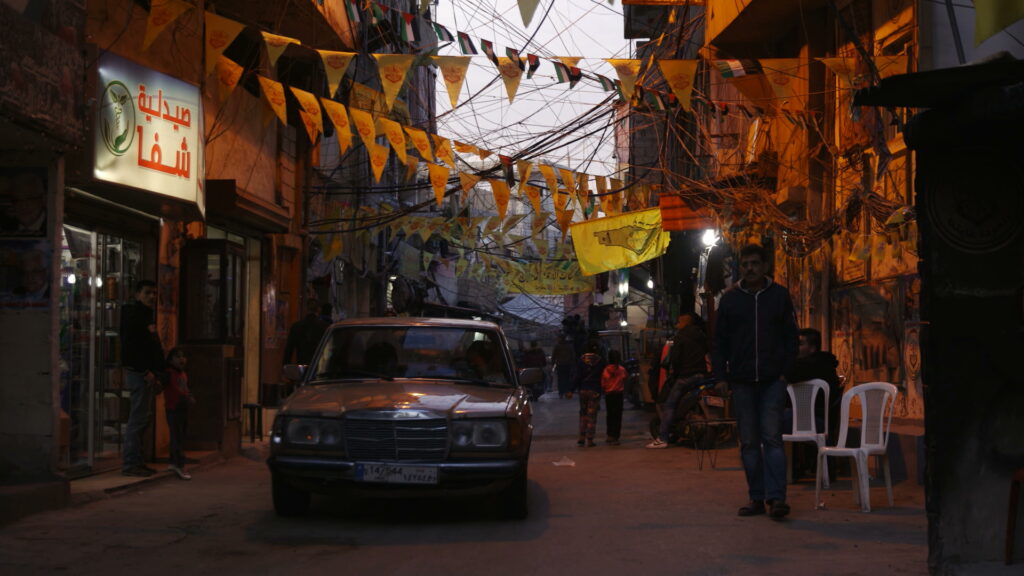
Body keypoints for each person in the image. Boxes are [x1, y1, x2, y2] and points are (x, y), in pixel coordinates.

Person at [712, 243, 798, 519]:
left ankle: (777, 499)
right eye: (745, 264)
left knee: (772, 438)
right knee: (749, 442)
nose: (750, 268)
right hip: (742, 381)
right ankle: (756, 498)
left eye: (755, 264)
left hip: (773, 379)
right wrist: (721, 377)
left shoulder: (779, 296)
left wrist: (785, 372)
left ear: (765, 266)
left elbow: (791, 337)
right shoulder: (730, 300)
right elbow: (719, 342)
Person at [785, 328, 842, 479]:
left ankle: (780, 470)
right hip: (819, 421)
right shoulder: (825, 364)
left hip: (814, 420)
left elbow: (790, 374)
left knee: (770, 420)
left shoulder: (812, 366)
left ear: (812, 348)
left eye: (800, 344)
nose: (796, 348)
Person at [120, 280, 164, 477]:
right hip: (140, 375)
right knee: (137, 420)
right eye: (147, 293)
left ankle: (137, 461)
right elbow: (132, 349)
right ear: (137, 294)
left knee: (142, 419)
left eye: (154, 293)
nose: (152, 297)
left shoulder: (146, 316)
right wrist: (145, 371)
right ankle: (130, 463)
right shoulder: (134, 316)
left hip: (146, 375)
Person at [647, 312, 708, 449]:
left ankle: (663, 438)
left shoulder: (679, 338)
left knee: (669, 405)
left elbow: (674, 359)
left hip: (686, 376)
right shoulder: (702, 336)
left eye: (679, 322)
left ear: (684, 323)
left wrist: (672, 369)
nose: (677, 325)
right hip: (701, 376)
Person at [163, 347, 195, 480]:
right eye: (178, 356)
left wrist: (190, 397)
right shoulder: (169, 373)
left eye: (183, 356)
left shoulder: (182, 374)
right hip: (174, 408)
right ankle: (179, 464)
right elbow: (172, 390)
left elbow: (185, 389)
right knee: (177, 437)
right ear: (171, 359)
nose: (182, 359)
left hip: (183, 408)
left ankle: (172, 461)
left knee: (180, 435)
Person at [570, 340, 605, 447]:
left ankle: (581, 437)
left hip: (583, 391)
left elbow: (577, 377)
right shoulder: (601, 361)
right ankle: (590, 439)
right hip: (595, 391)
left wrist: (571, 390)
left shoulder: (580, 361)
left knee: (583, 413)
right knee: (592, 415)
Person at [283, 299, 329, 366]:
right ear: (319, 310)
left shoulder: (296, 326)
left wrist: (285, 367)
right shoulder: (325, 327)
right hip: (318, 366)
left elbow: (289, 350)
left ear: (306, 309)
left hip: (302, 365)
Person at [601, 349, 627, 445]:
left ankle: (609, 435)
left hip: (609, 395)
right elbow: (624, 379)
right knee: (617, 416)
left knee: (610, 415)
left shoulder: (605, 370)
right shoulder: (622, 369)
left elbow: (603, 384)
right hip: (618, 395)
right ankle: (616, 436)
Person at [552, 334, 576, 398]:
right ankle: (567, 391)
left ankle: (561, 392)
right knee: (567, 379)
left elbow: (553, 356)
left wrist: (553, 364)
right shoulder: (569, 346)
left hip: (560, 365)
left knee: (560, 379)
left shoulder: (557, 346)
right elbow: (573, 356)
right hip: (567, 364)